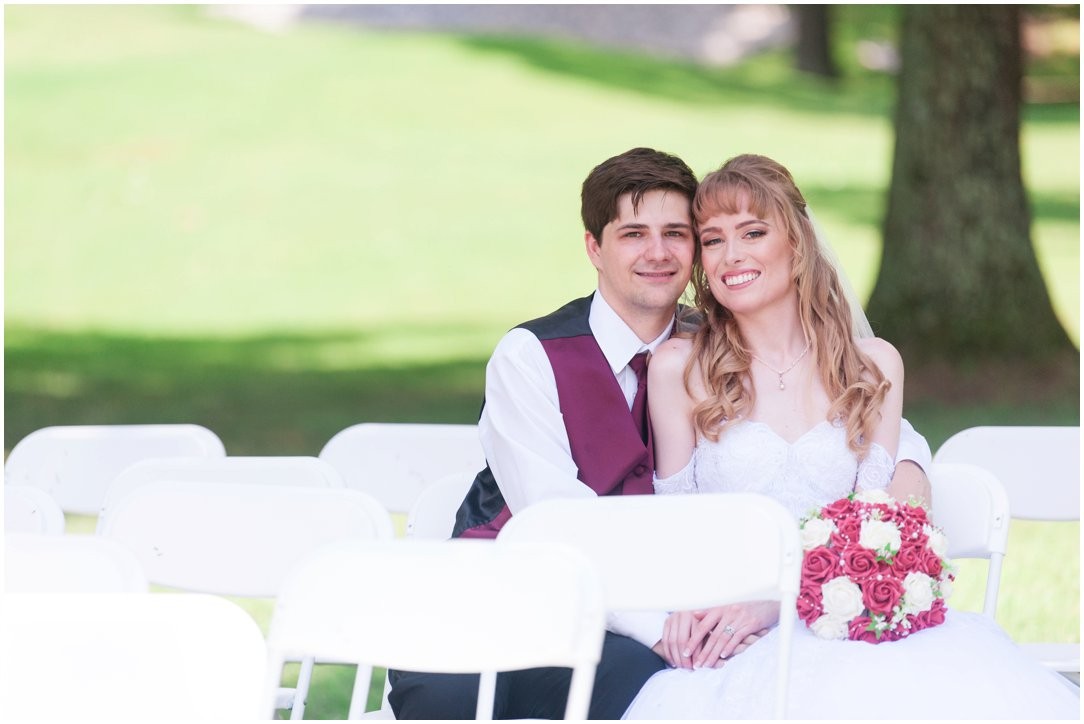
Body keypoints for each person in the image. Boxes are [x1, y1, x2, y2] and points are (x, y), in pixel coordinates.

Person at [388, 147, 930, 719]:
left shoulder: (719, 347)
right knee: (449, 698)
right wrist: (662, 625)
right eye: (632, 235)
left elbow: (862, 430)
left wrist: (912, 472)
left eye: (676, 232)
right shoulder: (532, 357)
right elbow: (555, 518)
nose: (657, 253)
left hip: (634, 634)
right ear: (594, 247)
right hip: (508, 594)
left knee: (651, 689)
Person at [621, 154, 1080, 719]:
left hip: (844, 626)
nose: (731, 255)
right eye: (713, 240)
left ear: (798, 243)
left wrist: (780, 605)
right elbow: (680, 524)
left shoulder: (873, 366)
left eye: (753, 232)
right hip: (731, 635)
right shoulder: (681, 368)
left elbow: (875, 530)